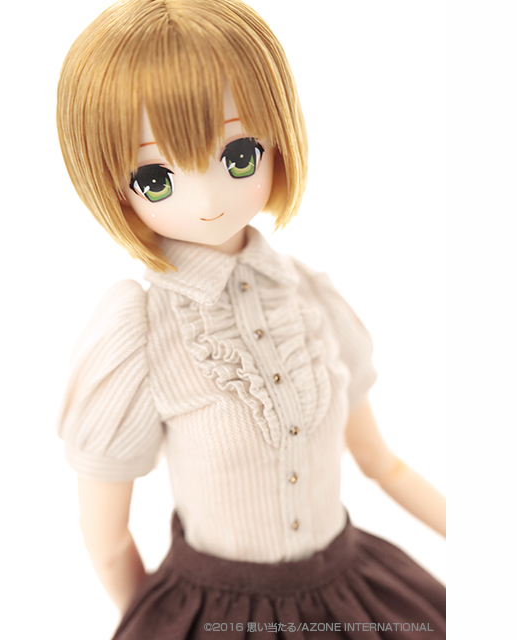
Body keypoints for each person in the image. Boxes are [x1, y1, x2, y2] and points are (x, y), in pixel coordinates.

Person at [55, 1, 446, 637]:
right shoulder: (139, 326)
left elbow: (382, 463)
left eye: (239, 155)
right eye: (156, 177)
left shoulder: (309, 295)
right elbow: (106, 538)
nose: (209, 198)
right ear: (113, 184)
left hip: (350, 591)